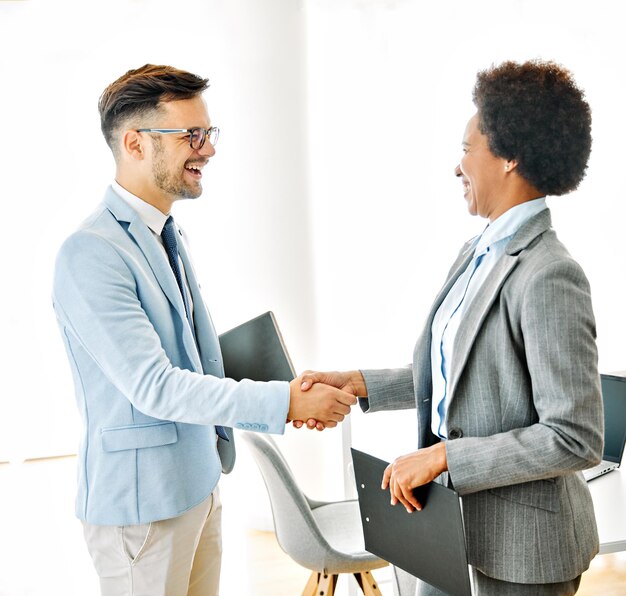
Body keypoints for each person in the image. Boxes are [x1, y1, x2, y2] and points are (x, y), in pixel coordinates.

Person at [300, 59, 604, 595]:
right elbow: (456, 373)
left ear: (510, 157)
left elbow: (575, 437)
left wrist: (444, 456)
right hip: (446, 522)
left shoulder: (550, 275)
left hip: (524, 550)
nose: (457, 166)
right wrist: (361, 383)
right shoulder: (476, 251)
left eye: (467, 149)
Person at [52, 64, 357, 596]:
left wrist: (288, 382)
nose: (208, 149)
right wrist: (284, 402)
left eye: (208, 133)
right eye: (191, 135)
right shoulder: (91, 253)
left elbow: (188, 357)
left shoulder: (169, 234)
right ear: (135, 144)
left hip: (197, 484)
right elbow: (156, 385)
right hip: (141, 510)